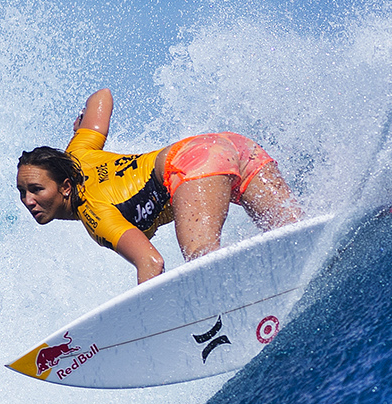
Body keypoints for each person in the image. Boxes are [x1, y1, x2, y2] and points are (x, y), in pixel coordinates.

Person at [17, 88, 303, 284]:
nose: (28, 200)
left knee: (203, 258)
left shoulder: (95, 214)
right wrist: (80, 126)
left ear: (66, 187)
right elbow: (101, 96)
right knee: (299, 239)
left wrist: (149, 324)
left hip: (194, 164)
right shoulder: (78, 153)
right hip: (231, 147)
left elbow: (151, 262)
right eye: (22, 192)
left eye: (36, 189)